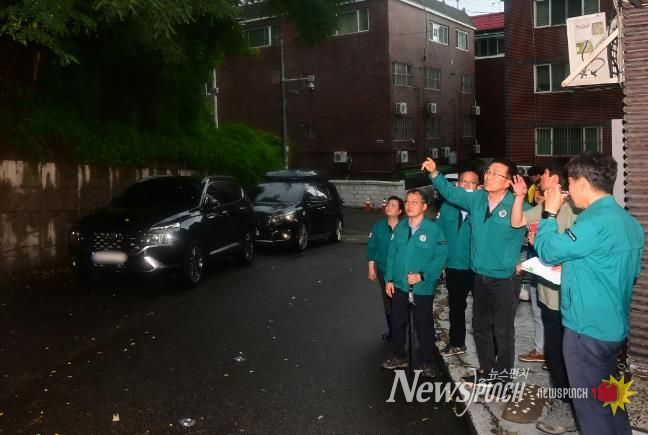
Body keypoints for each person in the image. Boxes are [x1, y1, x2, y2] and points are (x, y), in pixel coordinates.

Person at [534, 152, 643, 435]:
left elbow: (548, 251)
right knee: (610, 399)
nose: (568, 190)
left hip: (586, 330)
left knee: (591, 410)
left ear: (582, 182)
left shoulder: (591, 223)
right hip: (612, 327)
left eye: (570, 183)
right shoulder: (627, 221)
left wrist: (549, 213)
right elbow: (621, 270)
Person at [421, 157, 530, 386]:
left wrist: (529, 263)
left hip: (504, 279)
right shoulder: (477, 199)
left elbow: (544, 230)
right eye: (488, 172)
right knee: (480, 327)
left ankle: (502, 379)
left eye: (495, 173)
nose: (488, 176)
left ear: (509, 181)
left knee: (502, 332)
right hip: (480, 276)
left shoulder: (518, 205)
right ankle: (487, 371)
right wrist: (434, 173)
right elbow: (451, 192)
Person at [511, 158, 579, 434]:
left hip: (569, 298)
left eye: (545, 174)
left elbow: (572, 250)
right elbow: (517, 221)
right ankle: (563, 399)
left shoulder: (575, 208)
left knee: (568, 356)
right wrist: (519, 197)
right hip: (548, 294)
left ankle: (569, 407)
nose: (540, 179)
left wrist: (542, 245)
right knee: (554, 353)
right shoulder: (546, 206)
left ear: (557, 179)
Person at [382, 189, 448, 378]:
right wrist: (388, 279)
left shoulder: (434, 230)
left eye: (414, 202)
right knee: (397, 322)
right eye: (407, 202)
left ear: (424, 206)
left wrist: (423, 275)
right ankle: (398, 356)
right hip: (400, 285)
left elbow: (440, 257)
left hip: (422, 287)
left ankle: (427, 361)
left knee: (423, 325)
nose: (409, 205)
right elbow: (392, 255)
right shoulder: (401, 227)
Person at [437, 170, 480, 357]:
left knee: (483, 311)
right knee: (456, 307)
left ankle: (489, 351)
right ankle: (457, 343)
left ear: (479, 187)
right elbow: (439, 235)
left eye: (472, 183)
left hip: (479, 267)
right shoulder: (447, 207)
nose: (467, 186)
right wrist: (440, 262)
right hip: (454, 266)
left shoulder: (483, 207)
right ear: (457, 185)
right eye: (463, 181)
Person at [367, 196, 405, 341]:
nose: (388, 207)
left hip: (401, 272)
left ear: (400, 211)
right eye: (388, 204)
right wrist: (371, 267)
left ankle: (403, 331)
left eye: (393, 205)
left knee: (401, 301)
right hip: (383, 270)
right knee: (388, 301)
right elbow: (372, 247)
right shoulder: (378, 226)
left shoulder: (406, 227)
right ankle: (393, 331)